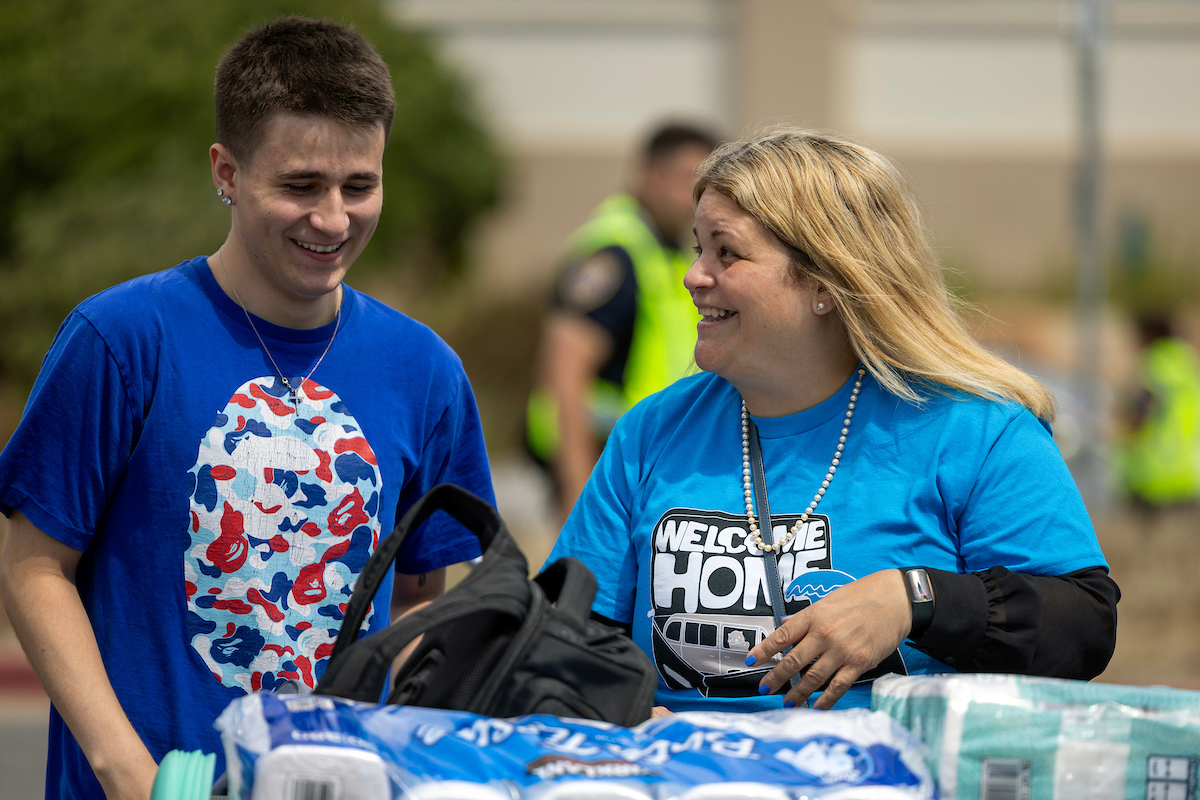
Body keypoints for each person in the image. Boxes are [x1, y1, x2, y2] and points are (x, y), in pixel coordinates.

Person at [0, 17, 494, 799]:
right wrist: (125, 769)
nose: (333, 219)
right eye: (300, 185)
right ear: (226, 171)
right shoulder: (121, 339)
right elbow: (33, 567)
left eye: (359, 185)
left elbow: (417, 601)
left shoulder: (425, 370)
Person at [546, 130, 1119, 712]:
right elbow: (559, 639)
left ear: (824, 282)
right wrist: (617, 707)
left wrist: (913, 600)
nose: (694, 276)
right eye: (697, 247)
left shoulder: (976, 431)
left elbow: (1083, 628)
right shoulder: (652, 432)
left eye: (727, 252)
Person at [526, 124, 718, 522]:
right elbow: (565, 376)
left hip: (645, 457)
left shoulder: (672, 250)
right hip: (602, 461)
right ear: (649, 175)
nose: (694, 195)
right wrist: (578, 498)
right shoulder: (614, 251)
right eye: (686, 179)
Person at [1117, 314, 1200, 511]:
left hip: (1154, 476)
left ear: (1149, 334)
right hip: (1187, 474)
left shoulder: (1154, 363)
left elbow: (1141, 413)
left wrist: (1123, 433)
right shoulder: (1186, 360)